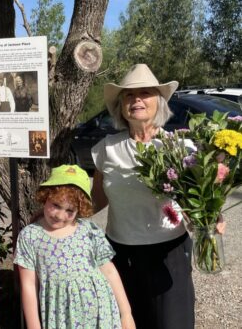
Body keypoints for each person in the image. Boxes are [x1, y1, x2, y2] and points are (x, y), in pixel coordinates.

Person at [91, 63, 226, 329]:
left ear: (159, 102)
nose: (136, 99)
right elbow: (96, 200)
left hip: (169, 252)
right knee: (128, 322)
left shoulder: (180, 147)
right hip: (120, 253)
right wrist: (58, 215)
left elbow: (192, 203)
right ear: (121, 106)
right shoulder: (105, 149)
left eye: (145, 93)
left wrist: (210, 218)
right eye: (129, 95)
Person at [14, 164, 135, 329]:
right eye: (56, 205)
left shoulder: (89, 230)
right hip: (62, 317)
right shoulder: (30, 236)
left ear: (80, 210)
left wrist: (126, 313)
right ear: (46, 196)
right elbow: (28, 285)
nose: (59, 215)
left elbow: (109, 271)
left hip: (101, 314)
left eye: (70, 211)